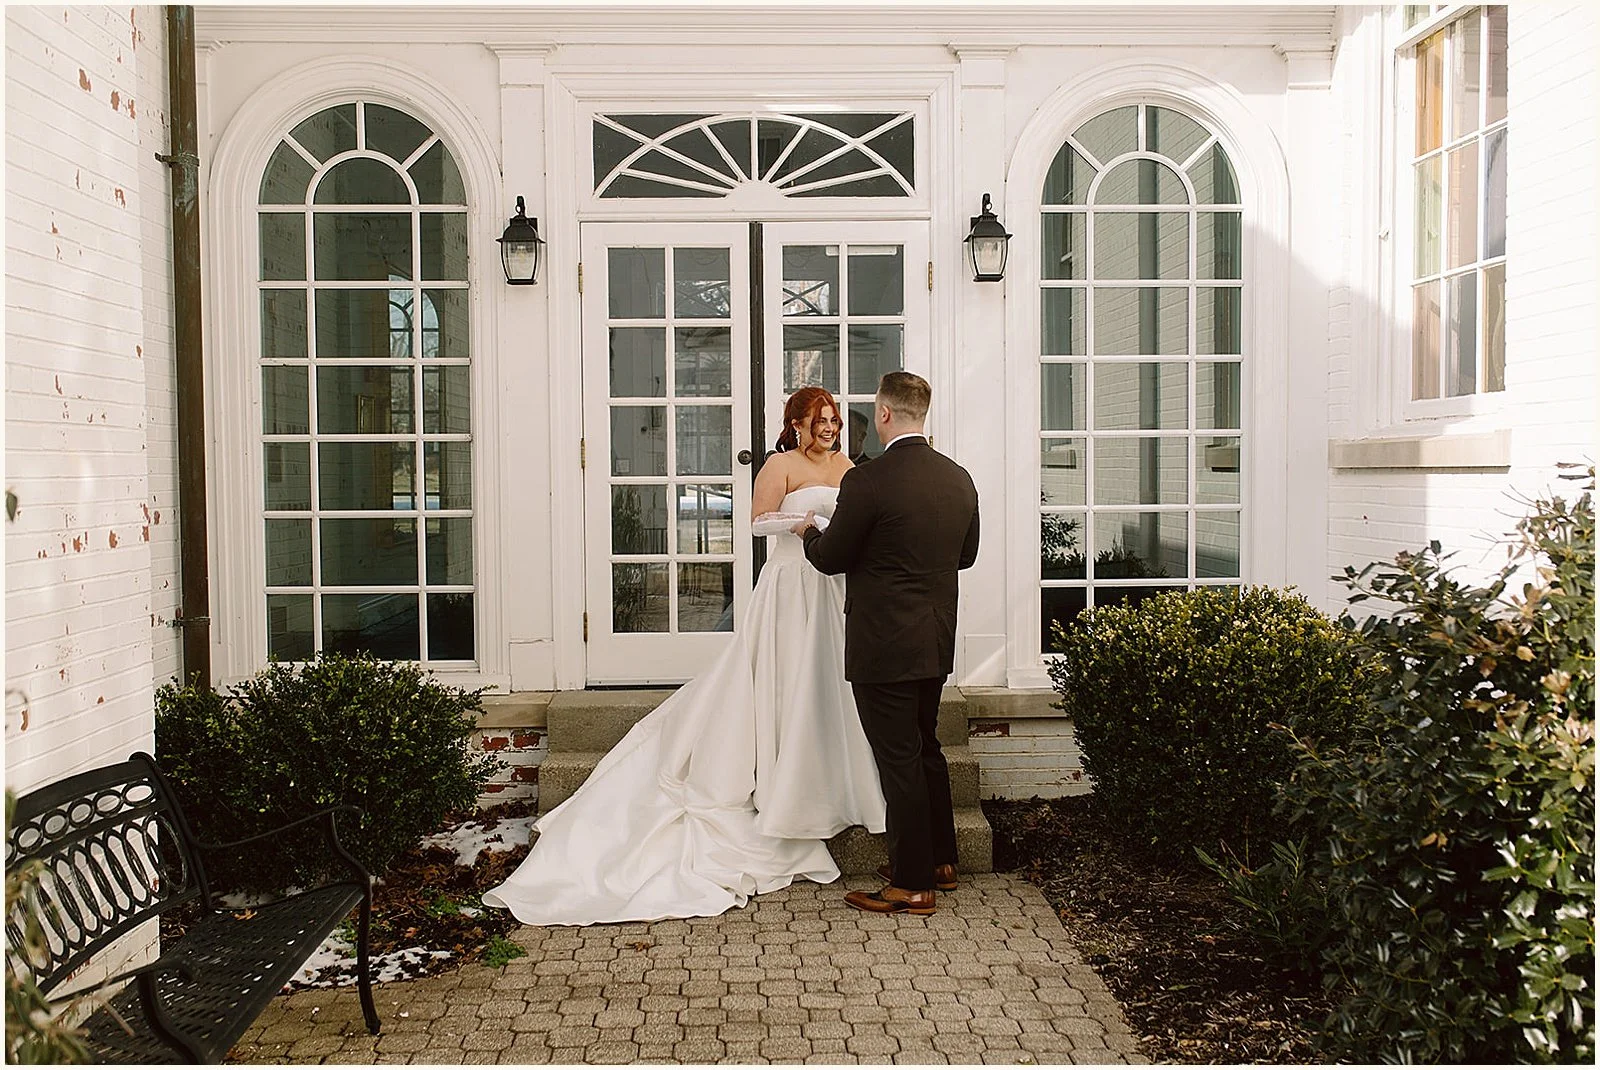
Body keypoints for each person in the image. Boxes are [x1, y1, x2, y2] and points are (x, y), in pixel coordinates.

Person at [482, 386, 885, 925]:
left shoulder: (849, 467)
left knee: (831, 680)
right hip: (791, 584)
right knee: (787, 678)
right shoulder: (780, 466)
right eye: (821, 421)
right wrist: (801, 524)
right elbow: (756, 521)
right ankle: (781, 774)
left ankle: (837, 777)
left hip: (833, 588)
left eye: (835, 421)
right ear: (797, 424)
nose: (831, 429)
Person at [792, 371, 979, 916]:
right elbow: (964, 556)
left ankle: (912, 883)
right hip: (934, 637)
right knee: (925, 747)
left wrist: (807, 531)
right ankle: (940, 861)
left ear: (886, 415)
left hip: (883, 644)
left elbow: (831, 558)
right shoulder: (959, 478)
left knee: (898, 759)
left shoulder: (869, 481)